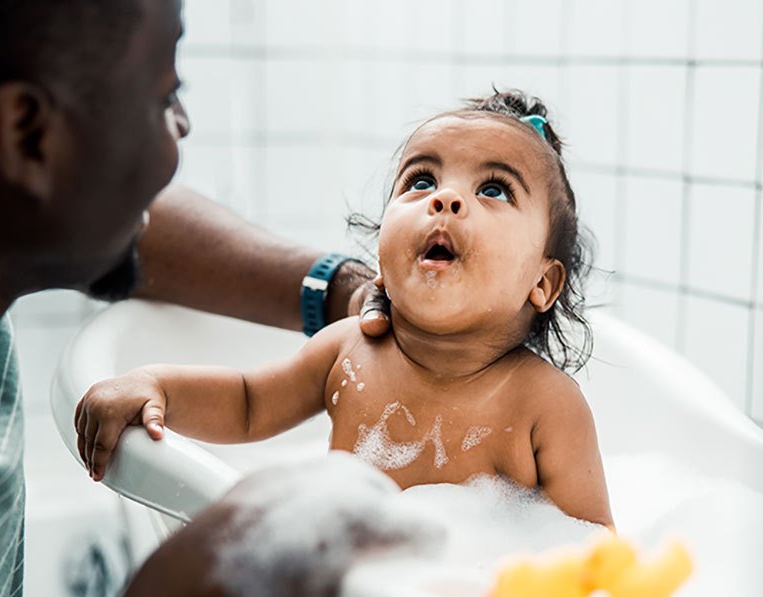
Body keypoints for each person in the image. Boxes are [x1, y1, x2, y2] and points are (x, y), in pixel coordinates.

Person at [0, 1, 423, 597]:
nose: (179, 133)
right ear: (27, 136)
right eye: (165, 98)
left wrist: (343, 290)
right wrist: (204, 577)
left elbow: (128, 228)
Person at [76, 90, 614, 528]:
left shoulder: (545, 406)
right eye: (422, 180)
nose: (444, 199)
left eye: (494, 189)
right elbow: (247, 403)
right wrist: (158, 387)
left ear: (542, 283)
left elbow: (588, 553)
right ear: (380, 260)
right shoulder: (351, 350)